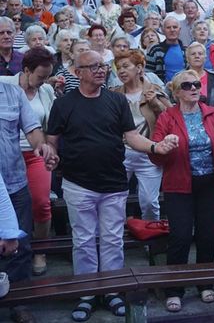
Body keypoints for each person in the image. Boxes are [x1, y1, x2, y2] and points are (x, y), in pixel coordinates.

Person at [46, 50, 178, 321]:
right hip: (77, 183)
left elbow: (131, 137)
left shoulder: (116, 101)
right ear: (78, 71)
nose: (100, 70)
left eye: (102, 65)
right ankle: (86, 293)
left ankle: (112, 290)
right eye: (92, 66)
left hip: (114, 183)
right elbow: (52, 140)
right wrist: (50, 154)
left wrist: (155, 145)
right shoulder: (63, 104)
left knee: (112, 240)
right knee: (83, 240)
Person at [149, 69, 214, 311]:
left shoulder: (212, 113)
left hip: (209, 183)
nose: (194, 89)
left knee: (208, 235)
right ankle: (174, 289)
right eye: (187, 85)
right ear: (177, 92)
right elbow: (155, 154)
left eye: (196, 84)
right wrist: (163, 147)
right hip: (179, 184)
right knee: (179, 237)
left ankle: (204, 283)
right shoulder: (167, 116)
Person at [0, 74, 57, 323]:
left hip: (13, 182)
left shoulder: (13, 94)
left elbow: (33, 129)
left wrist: (41, 147)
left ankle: (19, 301)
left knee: (19, 247)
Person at [112, 50, 171, 220]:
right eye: (118, 67)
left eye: (126, 66)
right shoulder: (114, 94)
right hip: (121, 153)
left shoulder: (154, 91)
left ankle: (151, 239)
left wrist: (155, 104)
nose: (121, 71)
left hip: (149, 153)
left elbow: (171, 119)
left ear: (139, 68)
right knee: (115, 199)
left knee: (149, 202)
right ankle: (117, 239)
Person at [184, 41, 214, 108]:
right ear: (187, 58)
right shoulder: (179, 78)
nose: (197, 56)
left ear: (205, 58)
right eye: (193, 54)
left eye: (200, 54)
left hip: (210, 116)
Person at [146, 16, 185, 82]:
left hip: (185, 89)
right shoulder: (155, 50)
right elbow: (148, 73)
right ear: (163, 30)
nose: (172, 30)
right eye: (168, 28)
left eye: (175, 27)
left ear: (179, 29)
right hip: (162, 90)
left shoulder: (186, 50)